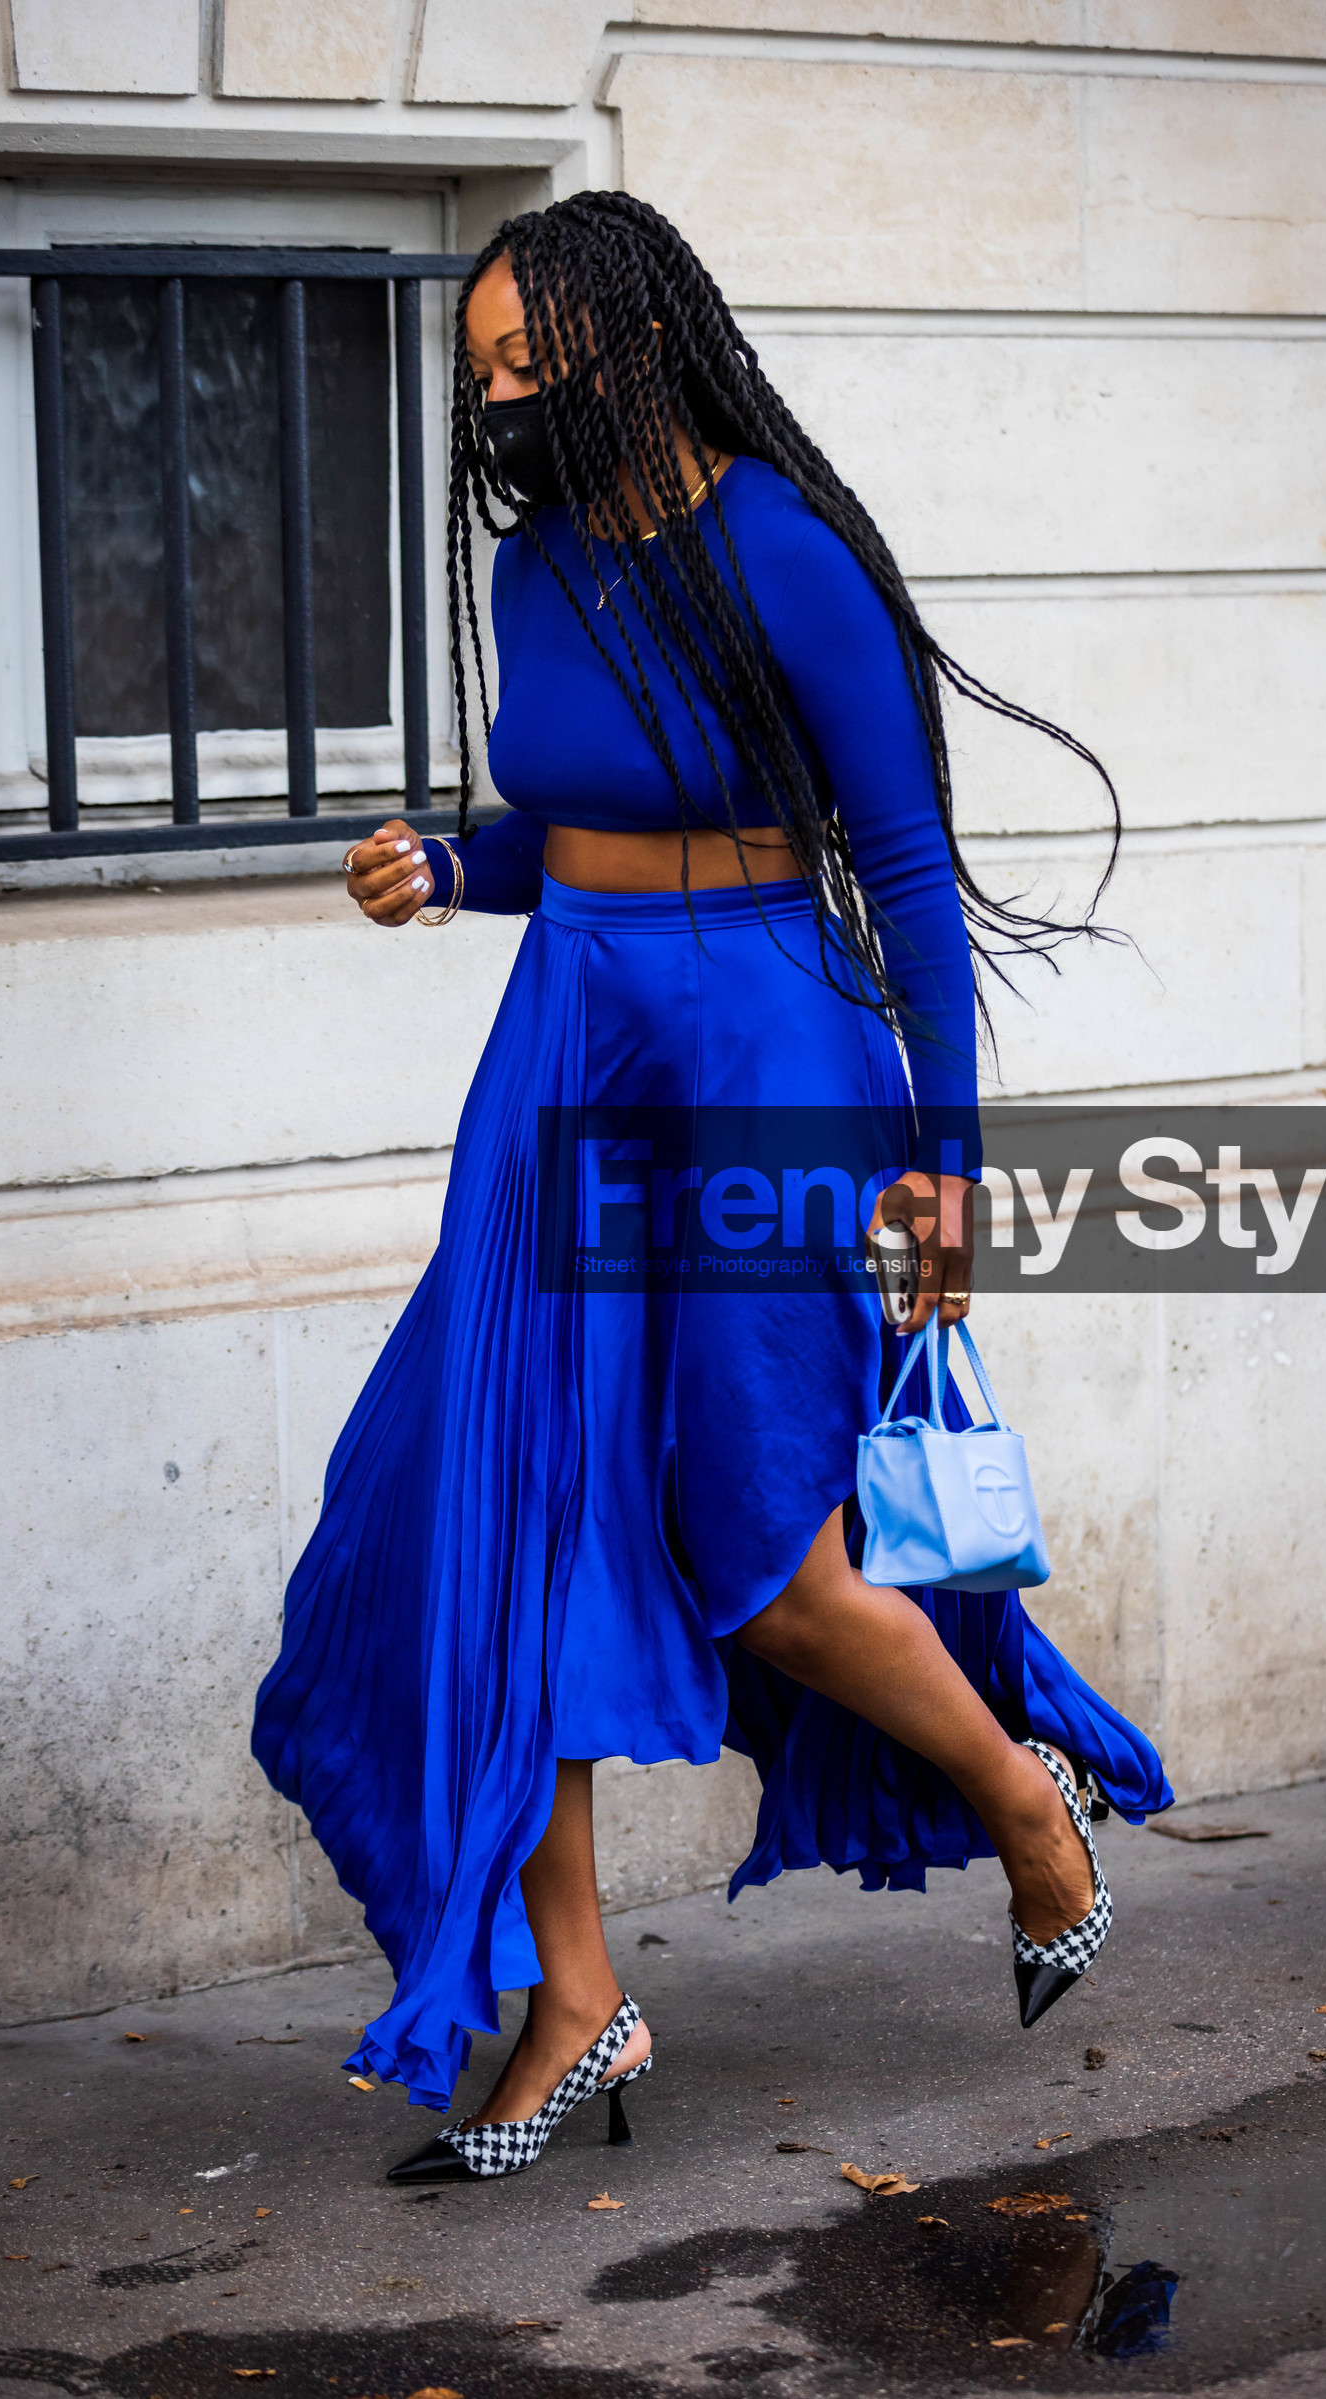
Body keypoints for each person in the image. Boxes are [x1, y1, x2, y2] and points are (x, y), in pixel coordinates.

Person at [253, 192, 1169, 2185]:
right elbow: (568, 821)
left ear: (632, 342)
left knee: (763, 1554)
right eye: (478, 375)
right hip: (566, 1053)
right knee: (490, 1518)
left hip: (763, 1048)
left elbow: (904, 875)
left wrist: (948, 1171)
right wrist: (449, 865)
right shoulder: (543, 565)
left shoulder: (784, 549)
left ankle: (1022, 1811)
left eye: (528, 366)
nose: (499, 407)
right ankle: (572, 1996)